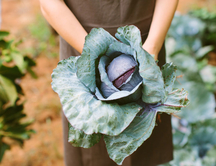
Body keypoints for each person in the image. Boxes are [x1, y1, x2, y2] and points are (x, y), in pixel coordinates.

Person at [39, 0, 179, 166]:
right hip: (80, 42)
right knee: (93, 150)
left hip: (147, 43)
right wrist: (92, 54)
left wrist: (152, 48)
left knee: (144, 145)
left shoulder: (149, 48)